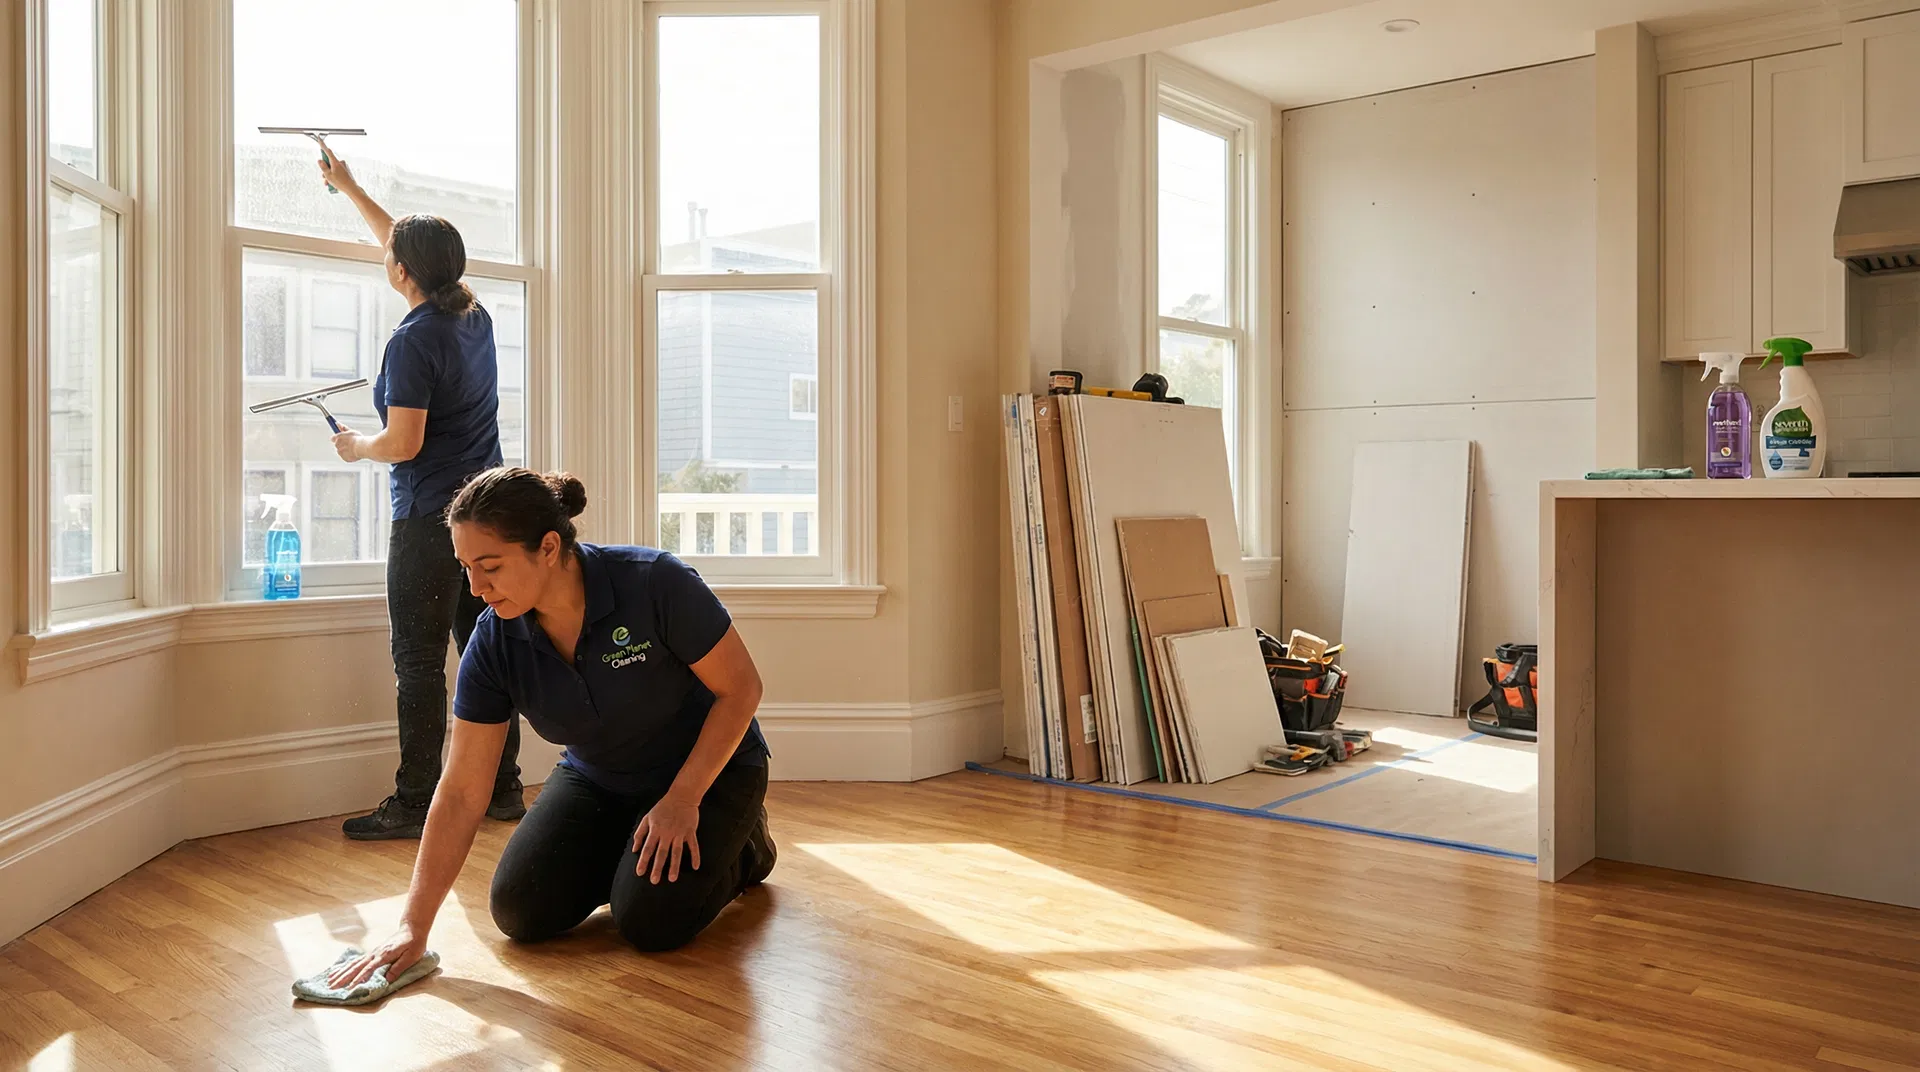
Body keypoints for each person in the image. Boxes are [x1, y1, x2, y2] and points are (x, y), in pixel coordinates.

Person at [327, 468, 776, 988]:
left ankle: (746, 848)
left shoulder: (654, 581)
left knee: (651, 922)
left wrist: (682, 799)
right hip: (599, 778)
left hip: (708, 773)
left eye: (490, 566)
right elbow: (463, 789)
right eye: (466, 568)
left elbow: (741, 689)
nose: (475, 588)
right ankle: (634, 853)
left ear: (547, 547)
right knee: (520, 911)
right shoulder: (494, 641)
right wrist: (412, 927)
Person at [317, 149, 524, 839]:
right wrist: (349, 187)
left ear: (402, 273)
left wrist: (356, 447)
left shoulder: (412, 339)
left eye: (394, 256)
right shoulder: (473, 315)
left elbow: (402, 442)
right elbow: (402, 243)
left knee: (418, 664)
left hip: (429, 525)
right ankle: (503, 787)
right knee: (486, 648)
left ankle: (414, 802)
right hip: (485, 518)